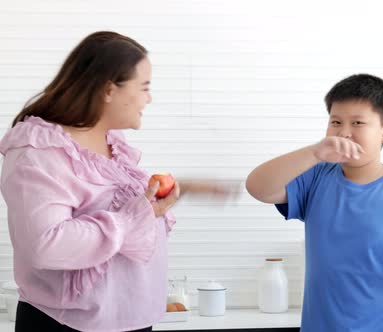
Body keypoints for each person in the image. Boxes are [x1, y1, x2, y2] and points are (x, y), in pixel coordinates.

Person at [0, 31, 232, 332]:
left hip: (131, 324)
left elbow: (123, 214)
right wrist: (130, 220)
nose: (149, 98)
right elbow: (45, 245)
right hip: (66, 327)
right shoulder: (38, 152)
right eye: (144, 87)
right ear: (109, 90)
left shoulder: (112, 145)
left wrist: (175, 192)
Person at [246, 74, 383, 331]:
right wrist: (315, 153)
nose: (344, 132)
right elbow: (258, 187)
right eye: (336, 122)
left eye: (358, 123)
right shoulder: (316, 178)